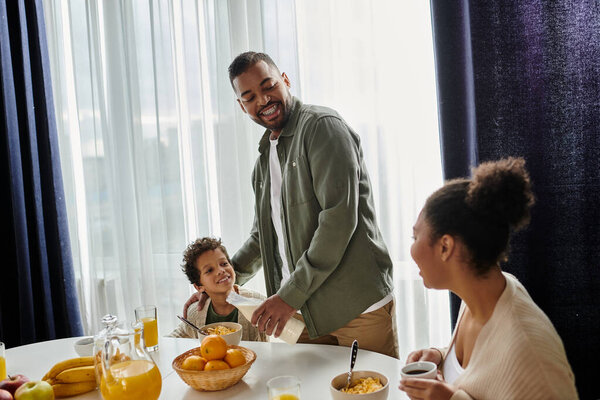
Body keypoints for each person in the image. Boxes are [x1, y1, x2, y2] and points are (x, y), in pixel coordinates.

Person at [184, 51, 397, 358]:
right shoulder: (262, 164)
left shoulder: (323, 127)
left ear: (285, 80)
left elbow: (338, 221)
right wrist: (220, 282)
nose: (263, 100)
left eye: (268, 86)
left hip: (358, 310)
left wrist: (287, 296)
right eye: (250, 96)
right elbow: (262, 238)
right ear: (242, 106)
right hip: (303, 315)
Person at [399, 158, 577, 399]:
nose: (411, 250)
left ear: (445, 247)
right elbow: (485, 372)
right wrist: (440, 356)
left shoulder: (531, 355)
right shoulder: (483, 290)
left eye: (414, 237)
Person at [169, 237, 266, 342]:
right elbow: (177, 336)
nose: (221, 271)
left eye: (224, 264)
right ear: (199, 287)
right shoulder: (196, 313)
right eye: (209, 270)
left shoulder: (258, 303)